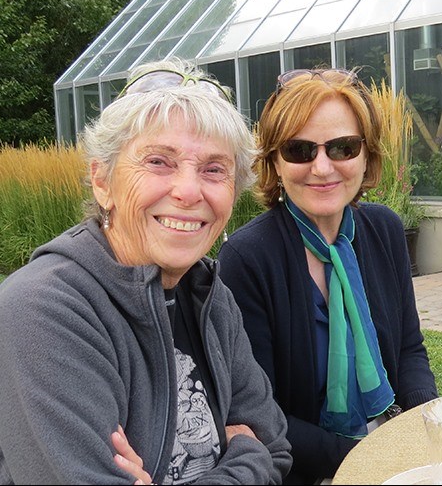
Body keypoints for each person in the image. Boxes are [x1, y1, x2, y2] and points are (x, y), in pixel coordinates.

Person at [0, 58, 292, 484]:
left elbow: (277, 449)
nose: (189, 191)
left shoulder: (209, 296)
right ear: (103, 181)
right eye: (159, 162)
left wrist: (255, 454)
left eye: (214, 169)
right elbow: (262, 452)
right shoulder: (44, 310)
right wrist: (248, 456)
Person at [217, 68, 438, 484]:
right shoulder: (247, 258)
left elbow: (409, 348)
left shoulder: (385, 230)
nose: (322, 167)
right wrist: (368, 459)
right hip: (306, 468)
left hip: (390, 448)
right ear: (274, 161)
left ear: (367, 155)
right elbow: (262, 414)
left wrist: (425, 423)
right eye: (299, 150)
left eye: (342, 147)